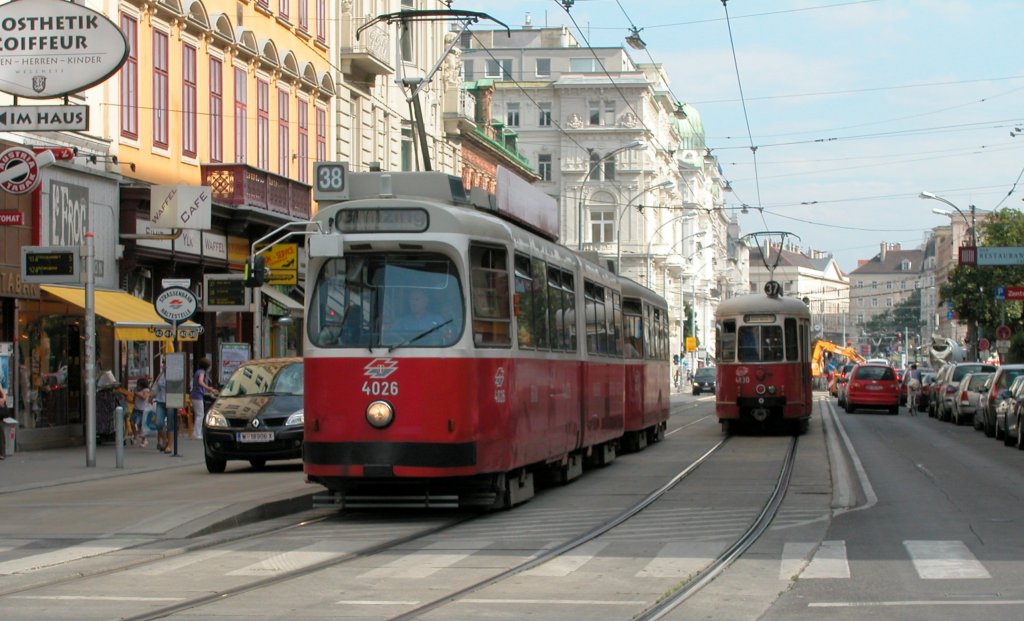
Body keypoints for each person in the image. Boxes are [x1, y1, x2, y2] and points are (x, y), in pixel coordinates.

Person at [190, 357, 218, 440]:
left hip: (195, 395)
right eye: (209, 366)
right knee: (200, 414)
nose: (210, 368)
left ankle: (196, 432)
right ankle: (197, 434)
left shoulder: (198, 372)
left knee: (198, 414)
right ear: (206, 366)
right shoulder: (202, 372)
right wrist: (209, 388)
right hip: (197, 395)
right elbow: (200, 382)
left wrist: (209, 389)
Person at [149, 360, 172, 453]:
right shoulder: (161, 375)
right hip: (160, 401)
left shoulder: (174, 375)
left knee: (170, 424)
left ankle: (169, 445)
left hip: (171, 402)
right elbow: (155, 387)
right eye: (163, 363)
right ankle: (165, 440)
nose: (164, 366)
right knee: (158, 423)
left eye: (166, 364)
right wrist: (151, 396)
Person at [131, 377, 150, 447]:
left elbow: (144, 397)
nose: (137, 385)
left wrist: (136, 393)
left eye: (138, 384)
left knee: (141, 426)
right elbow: (134, 399)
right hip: (136, 408)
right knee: (132, 422)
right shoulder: (137, 390)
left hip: (143, 410)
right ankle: (135, 435)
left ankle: (144, 440)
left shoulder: (146, 390)